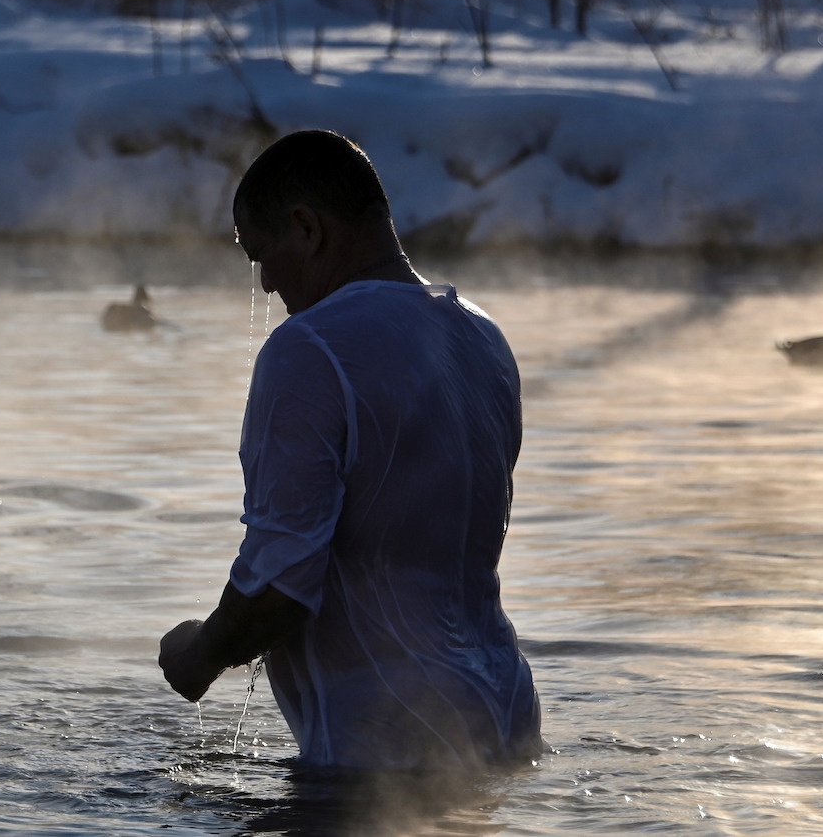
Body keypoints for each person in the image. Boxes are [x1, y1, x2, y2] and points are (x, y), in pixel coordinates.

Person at [157, 130, 540, 772]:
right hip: (505, 712)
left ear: (306, 228)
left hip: (389, 734)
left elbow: (279, 585)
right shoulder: (483, 337)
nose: (267, 284)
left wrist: (198, 656)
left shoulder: (311, 350)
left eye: (260, 253)